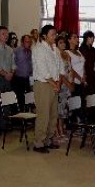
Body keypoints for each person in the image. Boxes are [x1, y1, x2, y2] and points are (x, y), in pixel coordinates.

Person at [31, 25, 64, 153]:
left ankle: (49, 139)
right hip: (44, 84)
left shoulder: (55, 49)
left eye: (55, 34)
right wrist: (54, 83)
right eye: (52, 34)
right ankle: (39, 143)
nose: (54, 36)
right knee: (43, 114)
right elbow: (42, 69)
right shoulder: (39, 49)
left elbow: (60, 67)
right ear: (44, 36)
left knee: (53, 114)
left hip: (55, 84)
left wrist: (59, 83)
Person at [0, 26, 16, 138]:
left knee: (6, 102)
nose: (6, 35)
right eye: (3, 33)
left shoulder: (10, 49)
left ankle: (3, 125)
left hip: (9, 78)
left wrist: (11, 73)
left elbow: (13, 64)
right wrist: (5, 74)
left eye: (7, 33)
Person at [56, 36, 74, 139]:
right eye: (60, 42)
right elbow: (60, 73)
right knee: (58, 109)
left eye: (63, 43)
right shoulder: (55, 54)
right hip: (60, 84)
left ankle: (62, 127)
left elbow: (70, 69)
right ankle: (58, 130)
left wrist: (71, 82)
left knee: (65, 109)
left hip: (67, 84)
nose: (63, 44)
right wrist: (67, 83)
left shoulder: (66, 54)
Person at [12, 35, 33, 110]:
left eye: (30, 42)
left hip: (27, 79)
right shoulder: (16, 51)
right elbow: (12, 64)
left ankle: (27, 114)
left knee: (28, 98)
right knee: (19, 98)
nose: (29, 43)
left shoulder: (30, 52)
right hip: (18, 78)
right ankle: (18, 117)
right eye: (27, 42)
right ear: (22, 42)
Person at [79, 30, 95, 96]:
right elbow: (82, 63)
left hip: (92, 73)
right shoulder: (81, 49)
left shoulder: (93, 49)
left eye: (93, 38)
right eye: (91, 38)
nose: (93, 39)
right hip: (85, 72)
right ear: (87, 38)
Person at [66, 32, 85, 97]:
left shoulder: (78, 51)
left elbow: (83, 65)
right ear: (69, 40)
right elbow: (70, 68)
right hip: (74, 81)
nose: (77, 39)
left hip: (82, 80)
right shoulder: (67, 52)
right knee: (75, 103)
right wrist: (80, 78)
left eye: (77, 37)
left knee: (82, 103)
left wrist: (84, 75)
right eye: (74, 37)